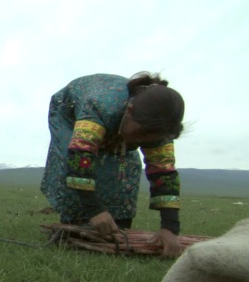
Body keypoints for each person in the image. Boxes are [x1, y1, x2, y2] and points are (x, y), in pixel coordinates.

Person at [40, 72, 184, 258]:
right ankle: (74, 225)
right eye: (140, 134)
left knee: (127, 166)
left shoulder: (161, 128)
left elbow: (164, 173)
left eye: (149, 139)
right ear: (129, 111)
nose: (141, 142)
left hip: (117, 120)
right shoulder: (100, 105)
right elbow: (80, 157)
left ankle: (118, 223)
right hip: (69, 112)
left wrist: (170, 228)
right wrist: (95, 211)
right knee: (78, 158)